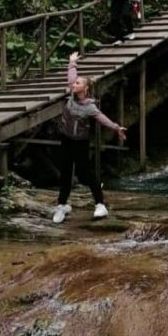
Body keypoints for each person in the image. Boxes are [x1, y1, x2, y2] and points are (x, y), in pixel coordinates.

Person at [52, 52, 127, 224]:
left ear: (85, 89)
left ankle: (100, 204)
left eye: (78, 83)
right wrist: (72, 62)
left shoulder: (90, 107)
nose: (74, 84)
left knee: (85, 174)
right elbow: (71, 76)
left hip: (80, 143)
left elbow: (102, 118)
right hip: (66, 139)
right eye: (74, 83)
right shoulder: (71, 95)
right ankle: (62, 205)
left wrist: (116, 128)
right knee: (65, 172)